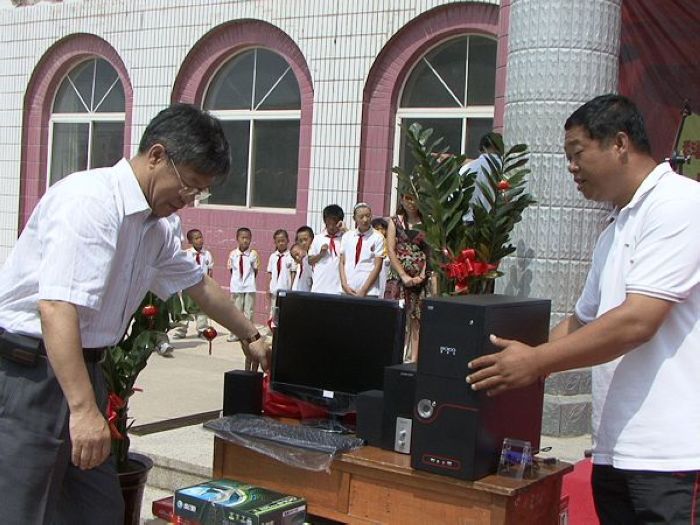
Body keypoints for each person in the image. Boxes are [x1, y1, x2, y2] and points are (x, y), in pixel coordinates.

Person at [0, 103, 270, 524]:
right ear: (157, 155)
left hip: (82, 371)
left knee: (98, 510)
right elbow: (56, 307)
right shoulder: (91, 202)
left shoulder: (154, 228)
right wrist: (83, 410)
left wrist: (251, 335)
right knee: (23, 511)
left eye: (200, 193)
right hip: (32, 374)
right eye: (188, 185)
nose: (187, 201)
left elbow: (198, 285)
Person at [467, 94, 700, 524]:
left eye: (577, 153)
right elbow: (581, 322)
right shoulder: (614, 229)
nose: (571, 167)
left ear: (620, 143)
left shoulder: (679, 203)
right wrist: (505, 360)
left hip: (673, 456)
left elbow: (638, 321)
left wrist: (537, 362)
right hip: (617, 448)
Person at [386, 192, 431, 362]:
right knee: (398, 314)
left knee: (417, 317)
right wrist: (403, 275)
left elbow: (430, 251)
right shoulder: (394, 221)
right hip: (398, 277)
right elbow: (391, 250)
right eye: (408, 199)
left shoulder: (427, 223)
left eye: (414, 199)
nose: (411, 203)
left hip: (420, 278)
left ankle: (414, 359)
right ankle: (395, 356)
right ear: (402, 200)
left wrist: (422, 274)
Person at [172, 228, 214, 338]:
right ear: (190, 241)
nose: (200, 240)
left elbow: (210, 271)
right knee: (185, 309)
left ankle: (202, 330)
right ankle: (181, 331)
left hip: (202, 286)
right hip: (188, 286)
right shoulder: (186, 254)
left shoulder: (207, 254)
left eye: (200, 237)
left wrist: (210, 285)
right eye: (196, 238)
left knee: (202, 309)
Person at [339, 203, 385, 297]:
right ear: (354, 218)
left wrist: (364, 290)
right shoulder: (347, 236)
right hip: (348, 289)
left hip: (369, 292)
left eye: (368, 216)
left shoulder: (377, 237)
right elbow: (342, 262)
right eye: (361, 217)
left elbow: (378, 265)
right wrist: (344, 284)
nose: (365, 220)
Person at [226, 227, 259, 349]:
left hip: (249, 286)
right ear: (237, 239)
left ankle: (248, 334)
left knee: (248, 311)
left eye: (248, 238)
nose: (245, 240)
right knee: (236, 311)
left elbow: (255, 270)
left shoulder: (253, 254)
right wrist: (238, 281)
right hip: (236, 286)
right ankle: (234, 333)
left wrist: (249, 280)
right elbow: (231, 269)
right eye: (243, 238)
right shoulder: (233, 254)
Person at [459, 131, 502, 222]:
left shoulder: (467, 168)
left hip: (467, 222)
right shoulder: (505, 168)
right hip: (495, 225)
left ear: (481, 149)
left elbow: (454, 197)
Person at [308, 204, 345, 294]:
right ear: (325, 221)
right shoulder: (318, 238)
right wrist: (320, 254)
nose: (331, 227)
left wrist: (345, 230)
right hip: (319, 287)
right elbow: (310, 261)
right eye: (329, 223)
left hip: (338, 288)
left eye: (334, 223)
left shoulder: (345, 238)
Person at [266, 229, 295, 324]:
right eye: (278, 241)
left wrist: (291, 288)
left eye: (283, 240)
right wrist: (267, 288)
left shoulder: (291, 256)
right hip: (274, 289)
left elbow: (293, 273)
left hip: (285, 289)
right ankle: (273, 329)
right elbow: (269, 273)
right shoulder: (273, 256)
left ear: (288, 240)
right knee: (274, 311)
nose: (281, 243)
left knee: (284, 312)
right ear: (275, 243)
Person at [371, 217, 390, 299]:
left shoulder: (388, 240)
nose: (380, 231)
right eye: (377, 229)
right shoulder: (371, 240)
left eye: (382, 229)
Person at [291, 225, 314, 292]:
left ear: (312, 239)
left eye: (305, 239)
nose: (303, 243)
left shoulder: (314, 257)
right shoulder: (304, 259)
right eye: (300, 241)